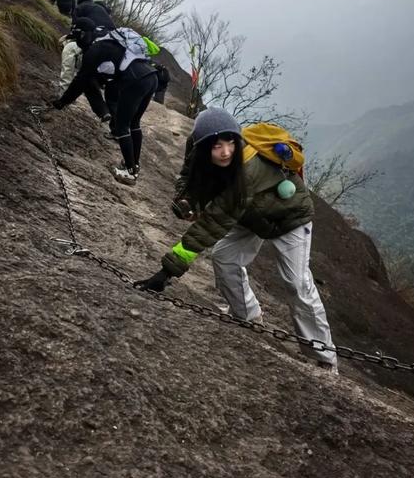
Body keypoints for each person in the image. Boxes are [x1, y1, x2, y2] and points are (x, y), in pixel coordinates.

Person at [134, 107, 338, 372]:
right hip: (251, 215)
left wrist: (166, 272)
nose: (226, 152)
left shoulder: (247, 169)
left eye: (230, 143)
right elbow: (189, 175)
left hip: (290, 217)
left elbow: (211, 225)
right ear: (202, 145)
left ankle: (325, 357)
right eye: (217, 146)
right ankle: (247, 316)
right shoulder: (197, 148)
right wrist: (186, 200)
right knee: (224, 257)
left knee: (297, 282)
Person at [52, 17, 158, 185]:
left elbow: (80, 80)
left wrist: (62, 102)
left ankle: (130, 172)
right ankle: (134, 165)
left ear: (83, 35)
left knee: (122, 125)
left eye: (77, 38)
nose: (77, 43)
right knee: (134, 123)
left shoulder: (95, 49)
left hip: (135, 80)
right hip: (151, 77)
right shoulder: (109, 40)